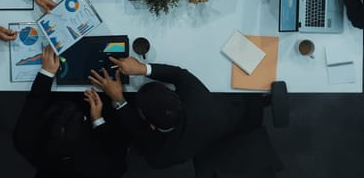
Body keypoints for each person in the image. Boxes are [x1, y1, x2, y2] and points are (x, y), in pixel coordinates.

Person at [88, 56, 258, 168]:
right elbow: (180, 75)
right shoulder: (198, 99)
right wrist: (142, 68)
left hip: (221, 124)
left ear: (151, 126)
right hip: (230, 115)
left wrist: (119, 100)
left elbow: (138, 132)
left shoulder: (159, 155)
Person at [13, 46, 128, 178]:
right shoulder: (106, 168)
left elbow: (35, 102)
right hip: (99, 110)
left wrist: (47, 72)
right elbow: (118, 144)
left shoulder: (25, 140)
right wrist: (98, 119)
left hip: (57, 98)